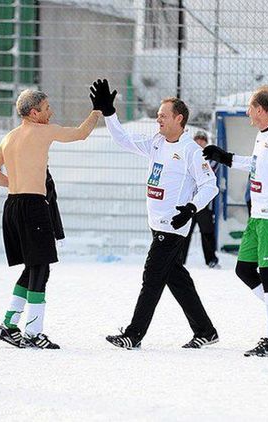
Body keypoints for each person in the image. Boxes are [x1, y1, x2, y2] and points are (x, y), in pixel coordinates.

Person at [98, 79, 220, 350]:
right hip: (157, 224)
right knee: (176, 278)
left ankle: (134, 334)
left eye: (163, 116)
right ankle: (206, 330)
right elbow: (123, 139)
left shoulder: (190, 150)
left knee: (152, 277)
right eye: (157, 116)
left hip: (172, 227)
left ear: (179, 119)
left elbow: (210, 186)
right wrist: (109, 113)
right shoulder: (156, 143)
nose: (158, 120)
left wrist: (190, 209)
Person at [0, 87, 102, 349]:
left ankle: (9, 324)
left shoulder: (10, 137)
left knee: (32, 266)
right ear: (34, 112)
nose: (52, 112)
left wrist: (14, 182)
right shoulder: (43, 130)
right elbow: (81, 134)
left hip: (13, 206)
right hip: (33, 206)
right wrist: (97, 110)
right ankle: (33, 332)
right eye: (47, 108)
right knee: (41, 267)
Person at [203, 86, 268, 357]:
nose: (247, 112)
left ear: (260, 109)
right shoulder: (264, 136)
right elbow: (256, 164)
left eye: (250, 107)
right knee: (245, 270)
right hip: (258, 216)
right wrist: (225, 158)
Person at [181, 131, 220, 268]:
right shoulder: (187, 154)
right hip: (188, 200)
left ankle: (211, 260)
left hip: (204, 202)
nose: (200, 142)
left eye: (203, 140)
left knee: (207, 232)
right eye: (197, 139)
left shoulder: (210, 158)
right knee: (184, 231)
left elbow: (211, 170)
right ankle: (180, 260)